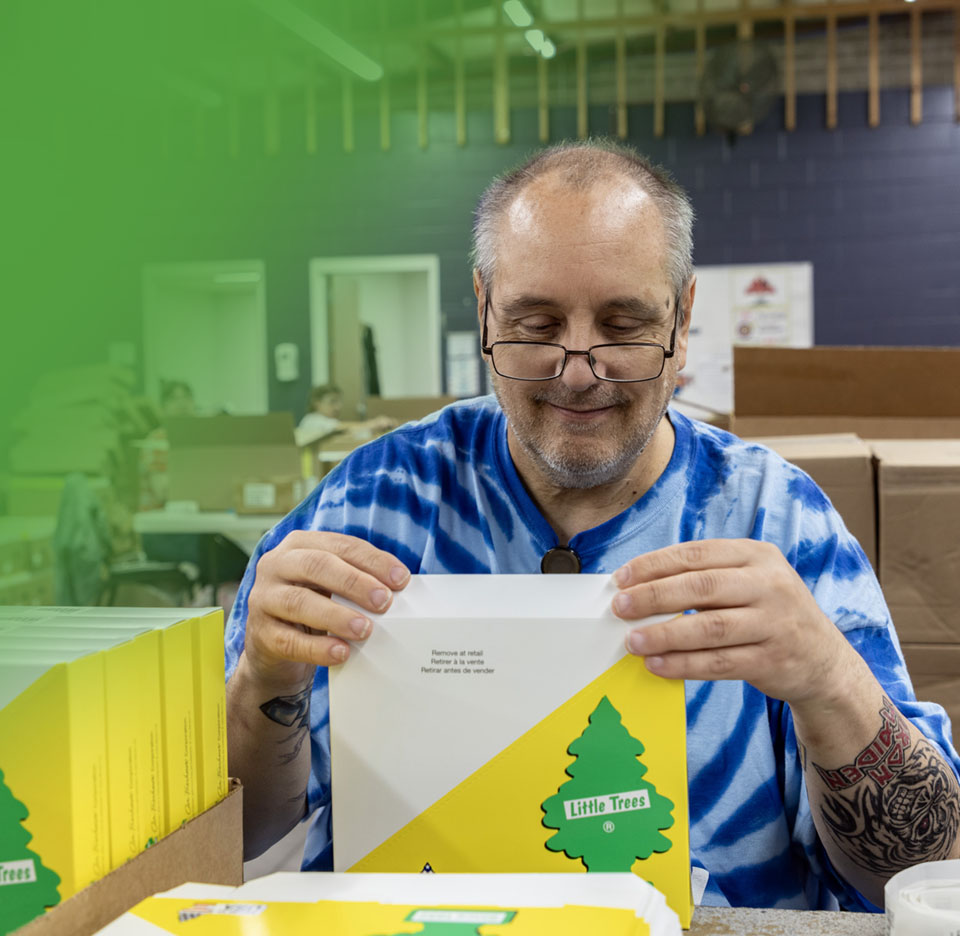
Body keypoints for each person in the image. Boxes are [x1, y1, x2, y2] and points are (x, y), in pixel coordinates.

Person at [225, 141, 960, 911]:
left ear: (681, 321)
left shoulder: (775, 520)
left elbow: (921, 868)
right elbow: (235, 840)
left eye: (623, 323)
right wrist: (263, 683)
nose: (578, 369)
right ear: (483, 311)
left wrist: (828, 677)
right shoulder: (372, 505)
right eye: (537, 324)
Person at [294, 384, 396, 447]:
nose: (338, 407)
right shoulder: (312, 420)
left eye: (339, 402)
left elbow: (351, 432)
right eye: (332, 402)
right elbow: (341, 428)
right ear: (316, 403)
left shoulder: (327, 422)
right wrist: (375, 423)